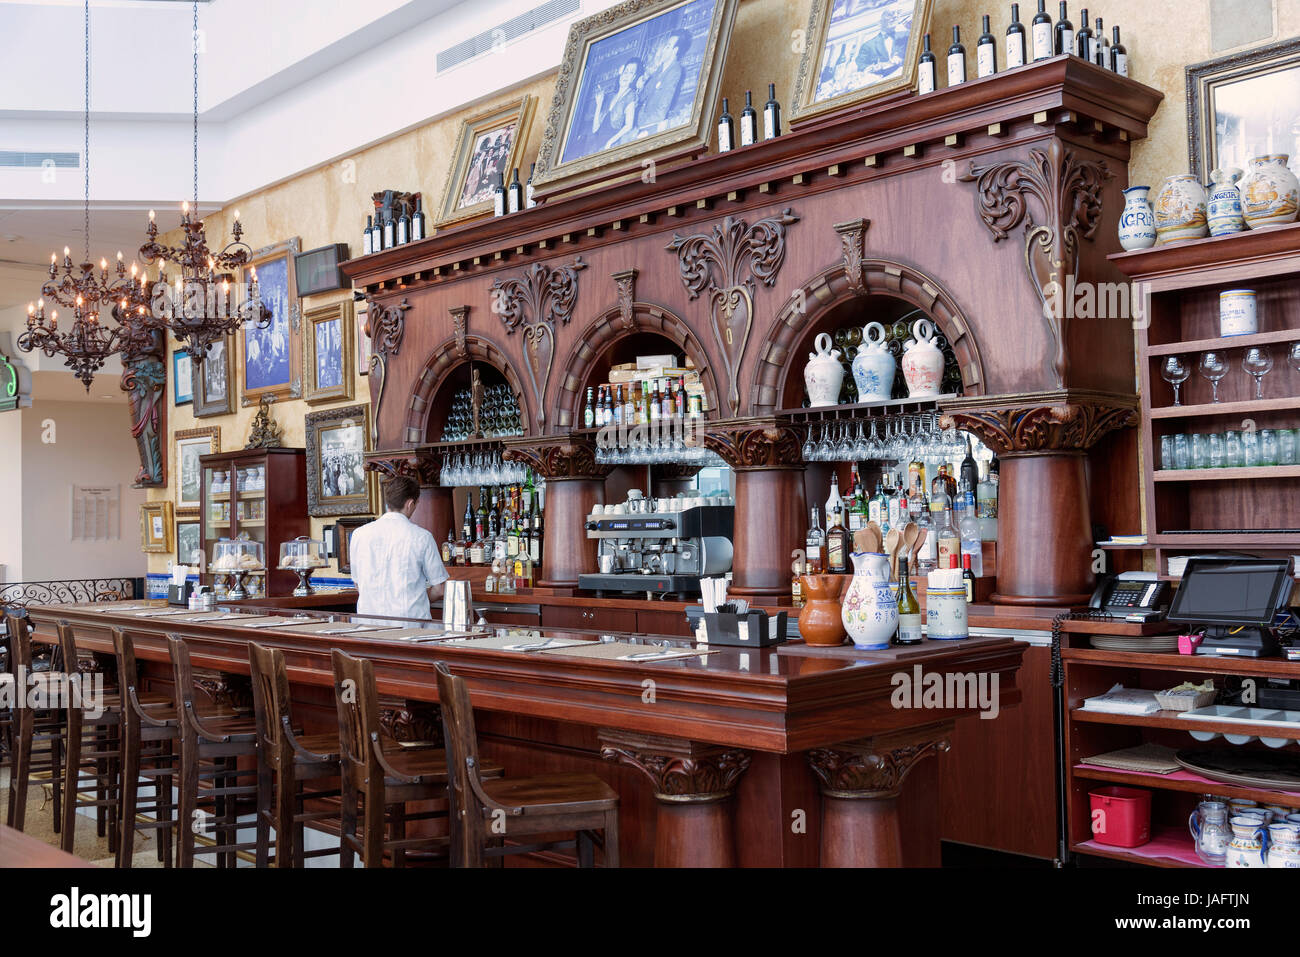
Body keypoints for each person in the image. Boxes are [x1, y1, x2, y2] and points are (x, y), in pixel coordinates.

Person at [349, 474, 448, 620]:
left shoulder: (359, 534)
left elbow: (358, 584)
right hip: (410, 626)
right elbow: (440, 589)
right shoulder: (422, 537)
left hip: (368, 625)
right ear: (410, 504)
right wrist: (418, 599)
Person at [638, 29, 689, 133]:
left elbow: (662, 111)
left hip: (653, 127)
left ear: (675, 50)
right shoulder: (660, 69)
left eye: (668, 47)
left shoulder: (675, 70)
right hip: (643, 123)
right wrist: (640, 86)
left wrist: (641, 124)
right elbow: (643, 96)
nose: (663, 50)